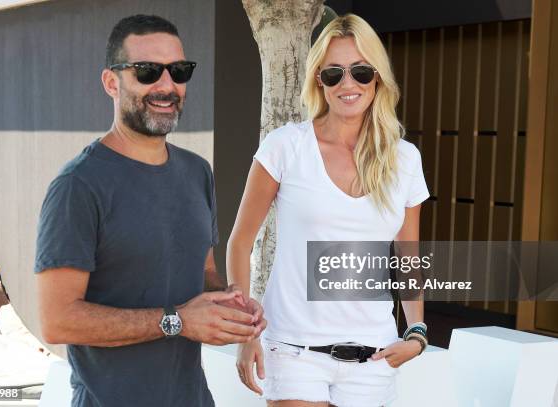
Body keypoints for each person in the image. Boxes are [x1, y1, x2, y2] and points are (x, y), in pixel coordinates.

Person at [34, 15, 265, 407]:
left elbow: (203, 271)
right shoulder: (78, 185)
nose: (166, 85)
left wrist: (230, 304)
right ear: (111, 82)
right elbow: (57, 320)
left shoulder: (197, 172)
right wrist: (177, 321)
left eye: (178, 71)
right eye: (146, 72)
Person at [227, 14, 430, 407]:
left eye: (361, 71)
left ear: (378, 78)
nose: (348, 84)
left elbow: (408, 255)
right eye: (334, 73)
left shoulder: (405, 159)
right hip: (293, 350)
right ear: (318, 80)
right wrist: (246, 333)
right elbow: (240, 243)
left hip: (374, 355)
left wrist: (417, 333)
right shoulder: (285, 147)